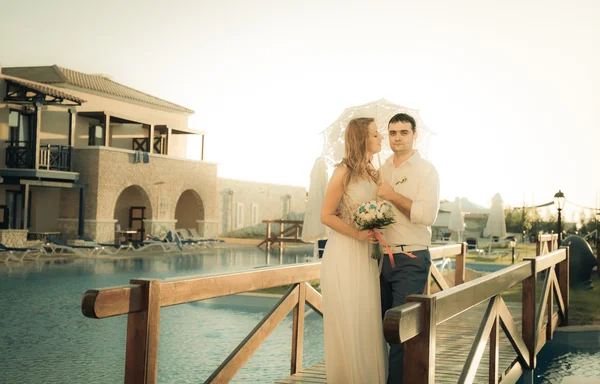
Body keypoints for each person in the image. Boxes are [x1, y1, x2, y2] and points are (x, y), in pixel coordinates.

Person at [320, 117, 388, 383]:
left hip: (367, 254)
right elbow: (326, 215)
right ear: (362, 139)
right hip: (346, 251)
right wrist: (359, 234)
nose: (381, 138)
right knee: (350, 318)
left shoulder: (374, 171)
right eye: (375, 134)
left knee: (367, 319)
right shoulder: (343, 171)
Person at [377, 113, 440, 384]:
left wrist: (392, 195)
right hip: (379, 260)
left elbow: (427, 216)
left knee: (400, 333)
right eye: (392, 133)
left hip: (411, 258)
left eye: (404, 132)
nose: (398, 137)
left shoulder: (427, 170)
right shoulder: (382, 169)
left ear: (415, 135)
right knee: (380, 330)